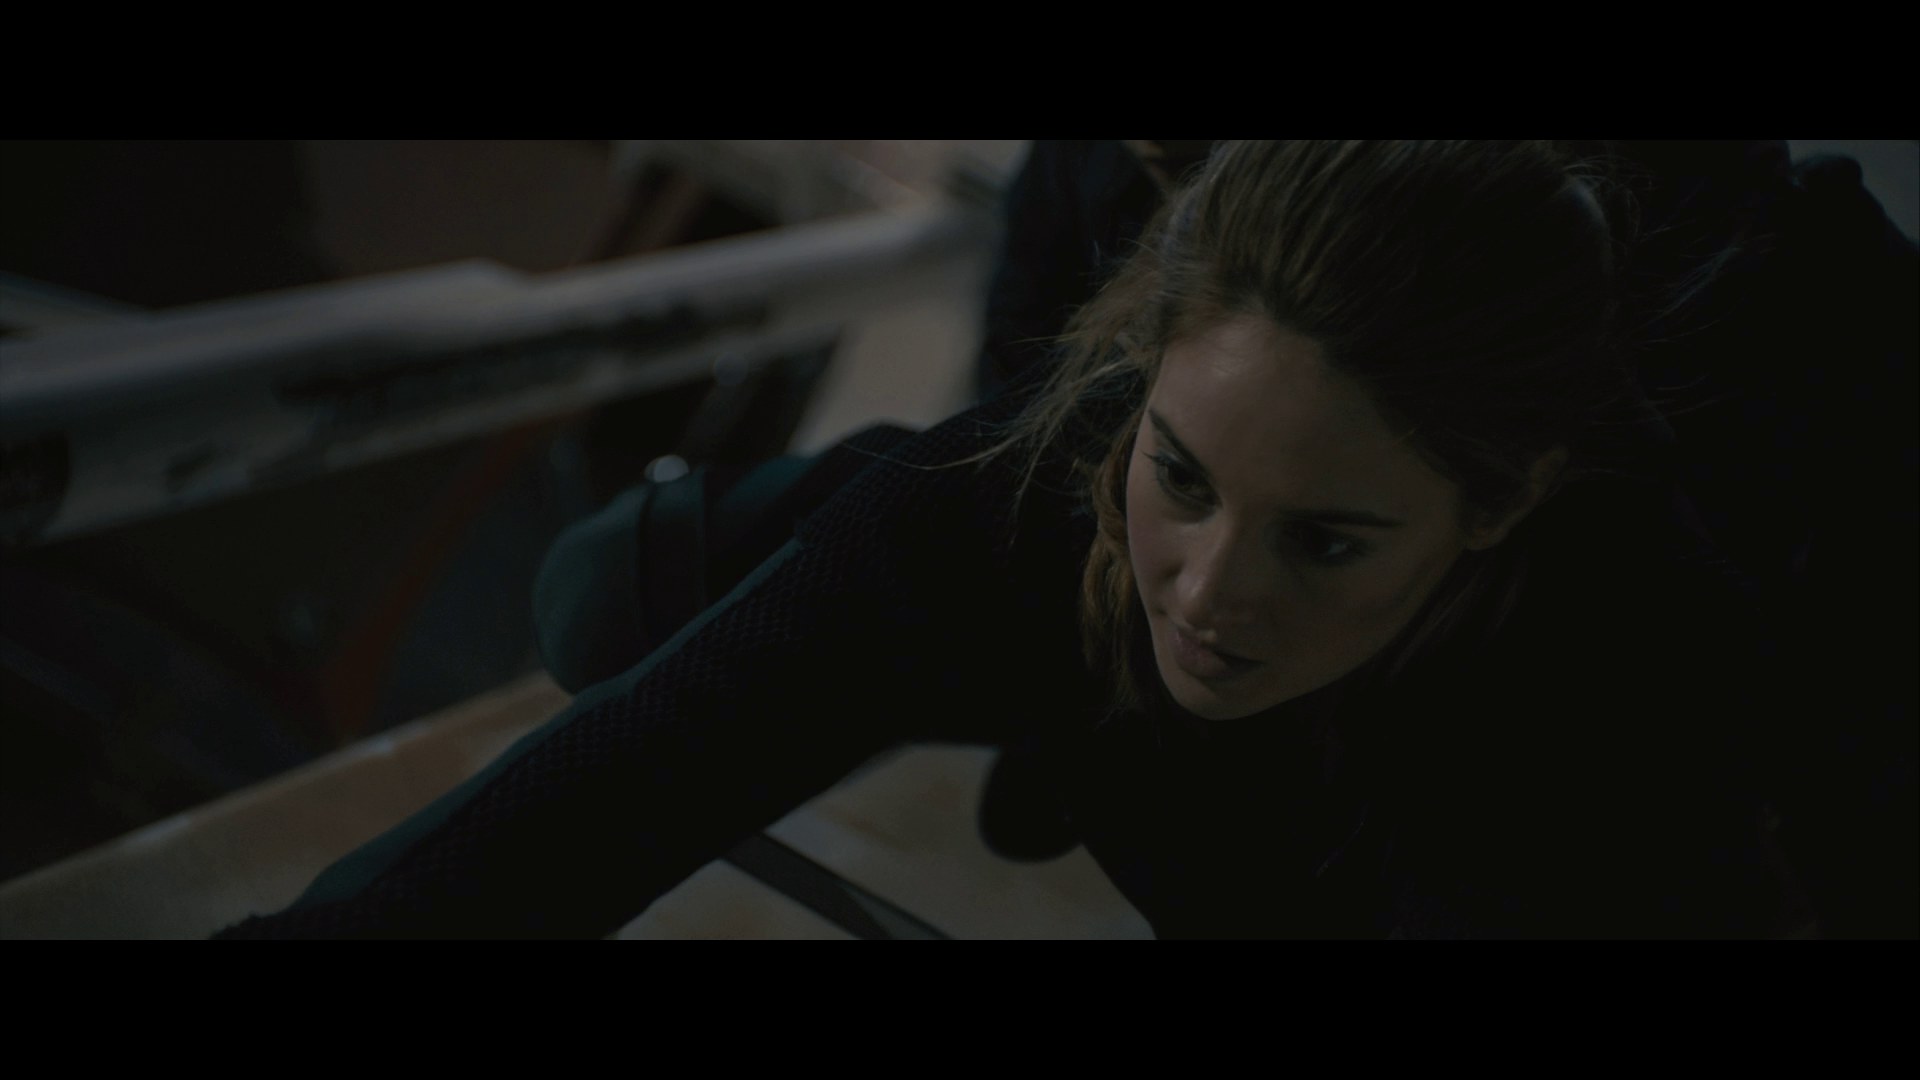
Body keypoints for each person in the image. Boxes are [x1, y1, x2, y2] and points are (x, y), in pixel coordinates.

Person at [215, 141, 1801, 939]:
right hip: (1067, 517)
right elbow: (592, 803)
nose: (1214, 592)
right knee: (617, 603)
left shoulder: (1635, 690)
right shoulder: (1032, 482)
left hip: (1430, 778)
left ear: (1500, 507)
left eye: (1323, 541)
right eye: (1184, 478)